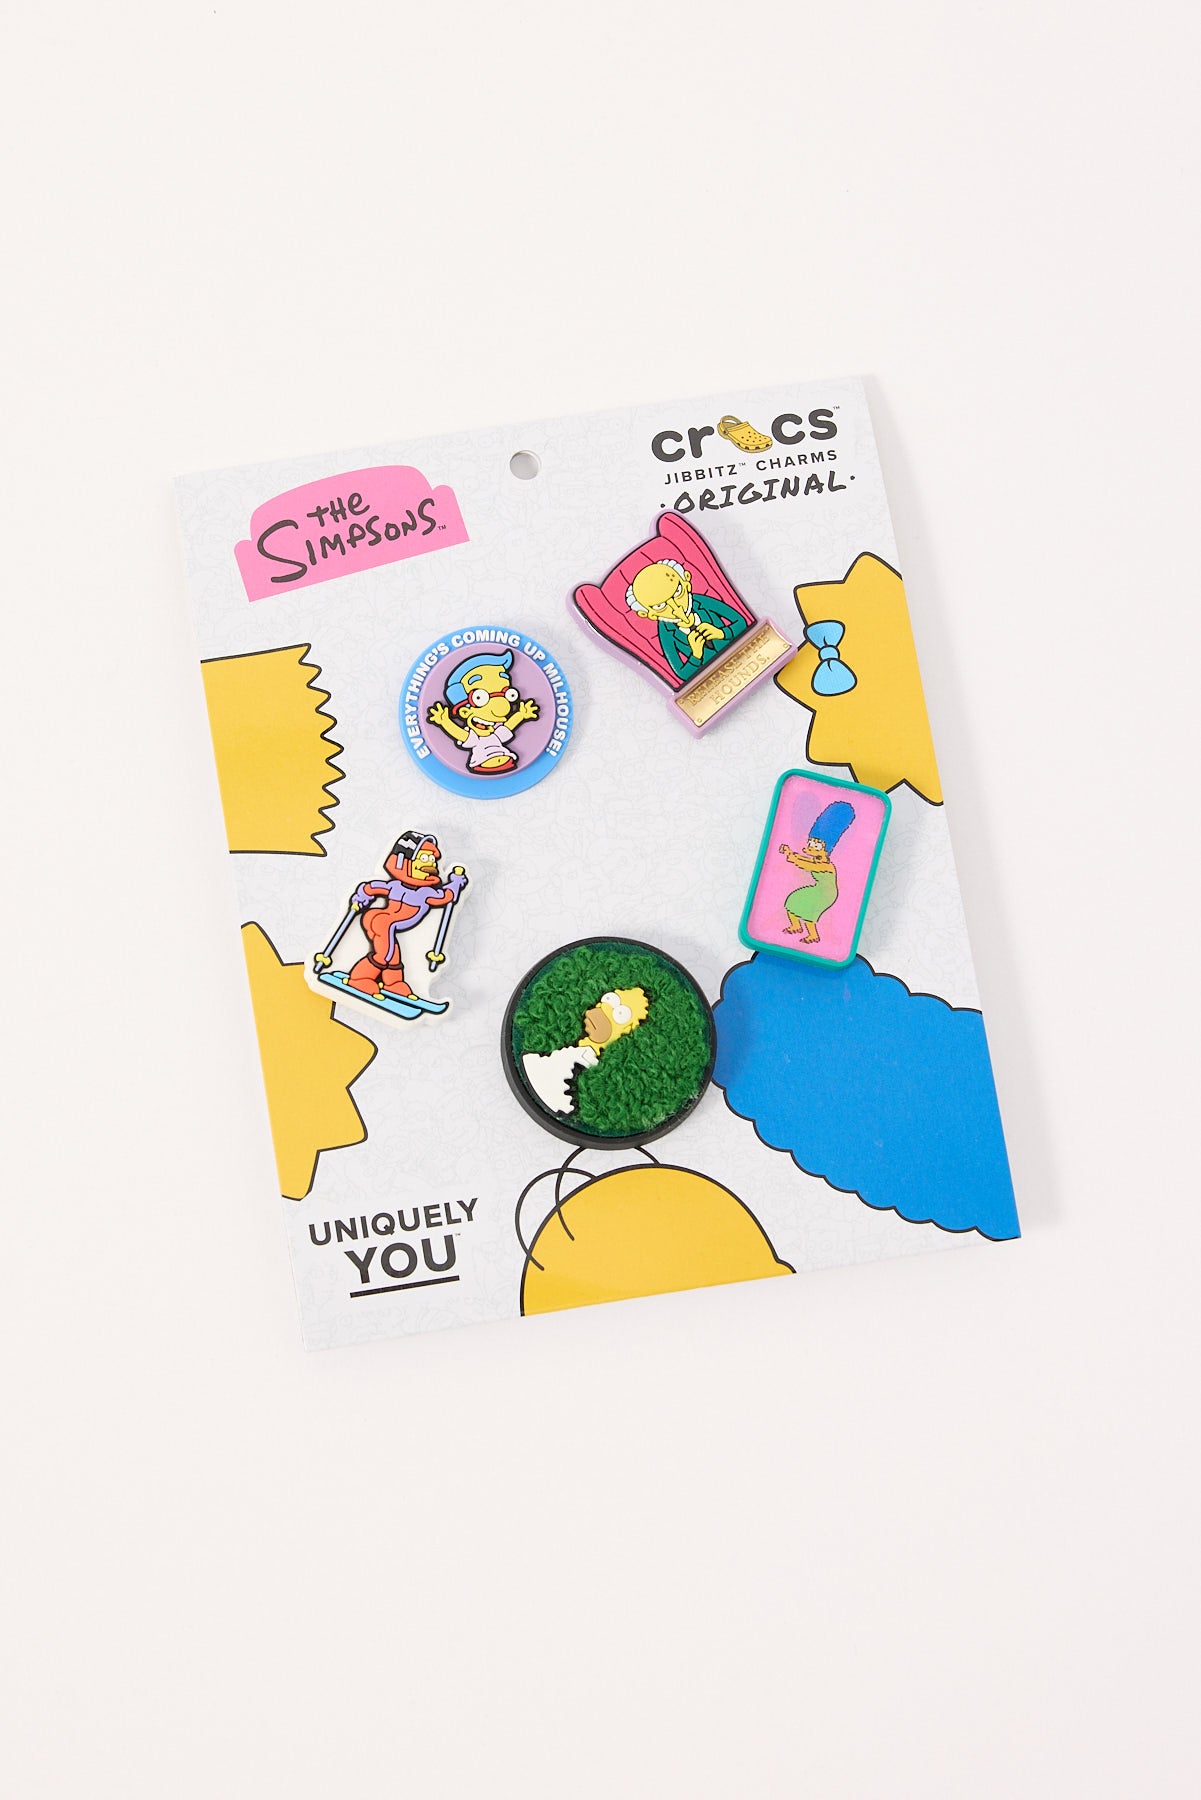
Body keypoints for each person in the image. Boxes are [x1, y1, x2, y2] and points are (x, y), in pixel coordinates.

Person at [344, 832, 466, 999]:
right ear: (404, 861)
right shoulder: (396, 886)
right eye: (424, 858)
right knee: (384, 954)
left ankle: (393, 984)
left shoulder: (425, 892)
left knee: (392, 955)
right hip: (380, 921)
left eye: (432, 859)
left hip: (387, 924)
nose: (431, 864)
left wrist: (455, 883)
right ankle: (359, 979)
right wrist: (362, 896)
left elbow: (446, 896)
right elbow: (372, 887)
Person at [522, 988, 649, 1116]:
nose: (598, 1013)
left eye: (619, 1014)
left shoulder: (586, 1060)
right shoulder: (569, 1053)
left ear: (626, 1030)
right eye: (607, 1000)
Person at [626, 559, 748, 681]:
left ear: (686, 581)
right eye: (660, 606)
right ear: (647, 614)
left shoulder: (701, 602)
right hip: (710, 680)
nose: (676, 607)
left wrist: (722, 633)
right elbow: (682, 673)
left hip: (746, 649)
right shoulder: (666, 632)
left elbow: (741, 621)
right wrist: (696, 655)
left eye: (678, 592)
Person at [426, 649, 539, 774]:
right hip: (484, 763)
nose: (503, 706)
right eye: (480, 697)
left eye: (507, 694)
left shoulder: (495, 732)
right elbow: (460, 734)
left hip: (506, 760)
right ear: (465, 712)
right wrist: (444, 722)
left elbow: (508, 725)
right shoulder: (476, 738)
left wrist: (521, 714)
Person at [778, 800, 855, 944]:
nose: (811, 846)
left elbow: (807, 865)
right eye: (810, 842)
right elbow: (804, 860)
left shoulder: (826, 866)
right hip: (817, 889)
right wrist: (790, 853)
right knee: (793, 900)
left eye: (816, 844)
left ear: (826, 848)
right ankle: (796, 926)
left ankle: (813, 935)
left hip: (826, 894)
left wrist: (792, 857)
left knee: (809, 910)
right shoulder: (817, 860)